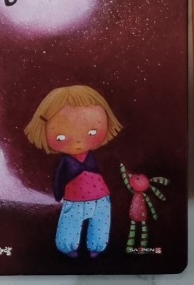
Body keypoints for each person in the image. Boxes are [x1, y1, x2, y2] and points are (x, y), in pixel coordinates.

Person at [24, 84, 121, 259]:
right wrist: (58, 194)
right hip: (75, 199)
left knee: (100, 223)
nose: (78, 143)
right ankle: (68, 247)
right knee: (70, 224)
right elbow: (59, 179)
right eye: (61, 136)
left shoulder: (90, 157)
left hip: (101, 197)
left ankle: (97, 247)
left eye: (92, 132)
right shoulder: (66, 162)